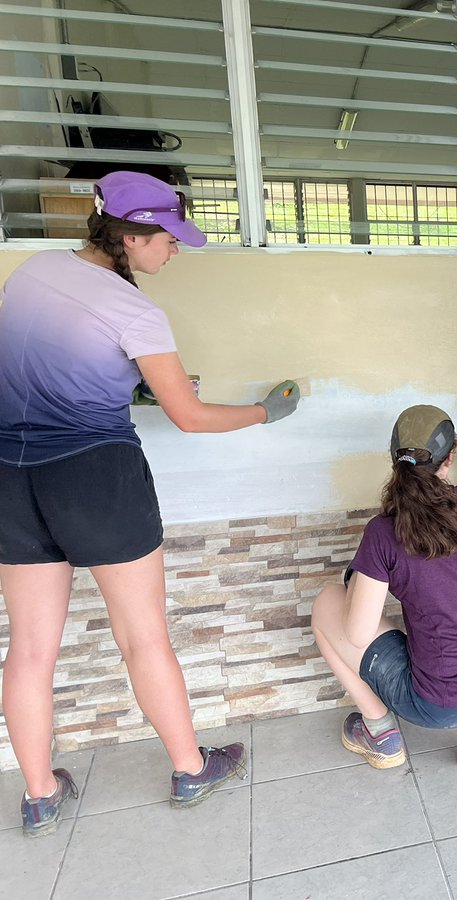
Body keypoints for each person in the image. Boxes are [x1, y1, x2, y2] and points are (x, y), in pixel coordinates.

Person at [0, 171, 300, 836]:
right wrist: (262, 412)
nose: (174, 252)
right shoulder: (135, 311)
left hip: (11, 477)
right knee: (144, 637)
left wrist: (120, 381)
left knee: (28, 651)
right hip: (95, 477)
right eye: (167, 240)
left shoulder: (31, 273)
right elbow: (188, 416)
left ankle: (40, 793)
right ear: (131, 236)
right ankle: (192, 769)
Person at [310, 406, 457, 769]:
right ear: (451, 457)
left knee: (327, 604)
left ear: (395, 460)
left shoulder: (383, 532)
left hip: (442, 706)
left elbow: (357, 632)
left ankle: (379, 733)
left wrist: (359, 583)